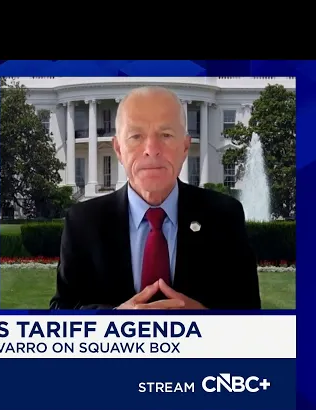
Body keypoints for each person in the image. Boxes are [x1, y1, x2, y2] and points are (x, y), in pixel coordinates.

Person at [49, 86, 261, 310]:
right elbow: (61, 310)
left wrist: (206, 319)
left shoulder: (224, 216)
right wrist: (112, 320)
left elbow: (250, 313)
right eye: (136, 136)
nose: (151, 149)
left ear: (185, 147)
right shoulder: (83, 222)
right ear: (118, 149)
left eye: (166, 135)